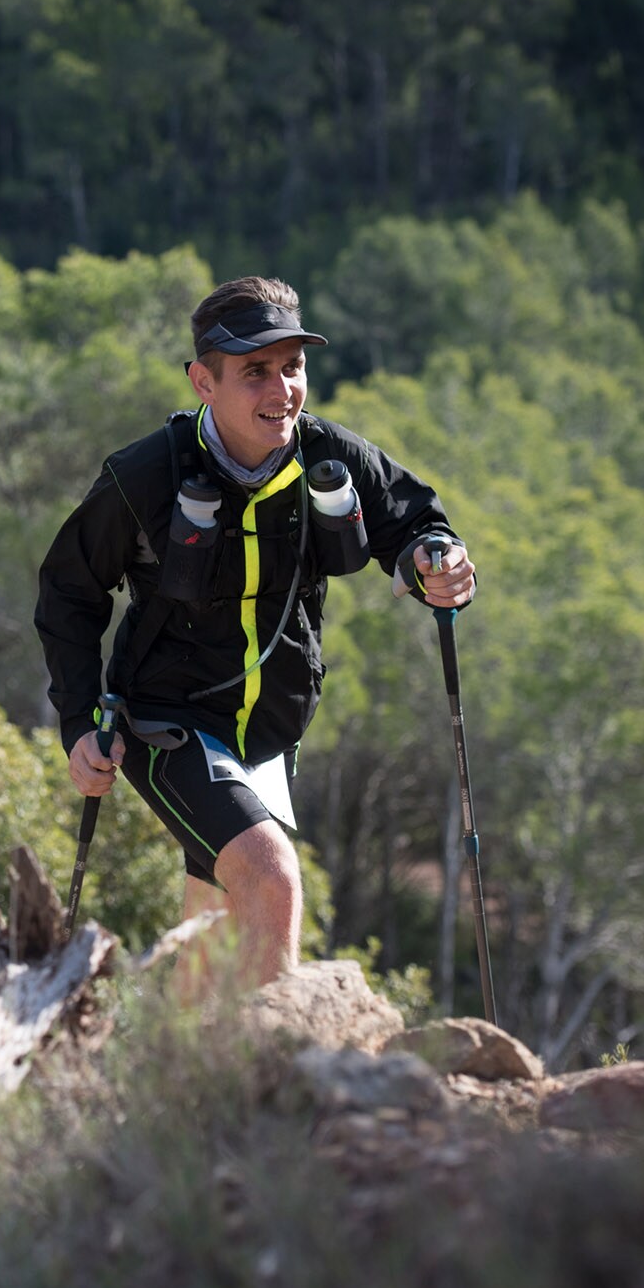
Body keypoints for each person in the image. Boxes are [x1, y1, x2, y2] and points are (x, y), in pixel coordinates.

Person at [35, 277, 475, 991]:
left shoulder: (330, 453)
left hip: (269, 738)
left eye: (293, 366)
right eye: (255, 371)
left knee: (211, 935)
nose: (283, 389)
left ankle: (172, 1085)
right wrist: (81, 720)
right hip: (164, 724)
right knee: (270, 880)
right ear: (203, 381)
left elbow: (417, 522)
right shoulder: (144, 475)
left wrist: (442, 563)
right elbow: (68, 590)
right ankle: (274, 1091)